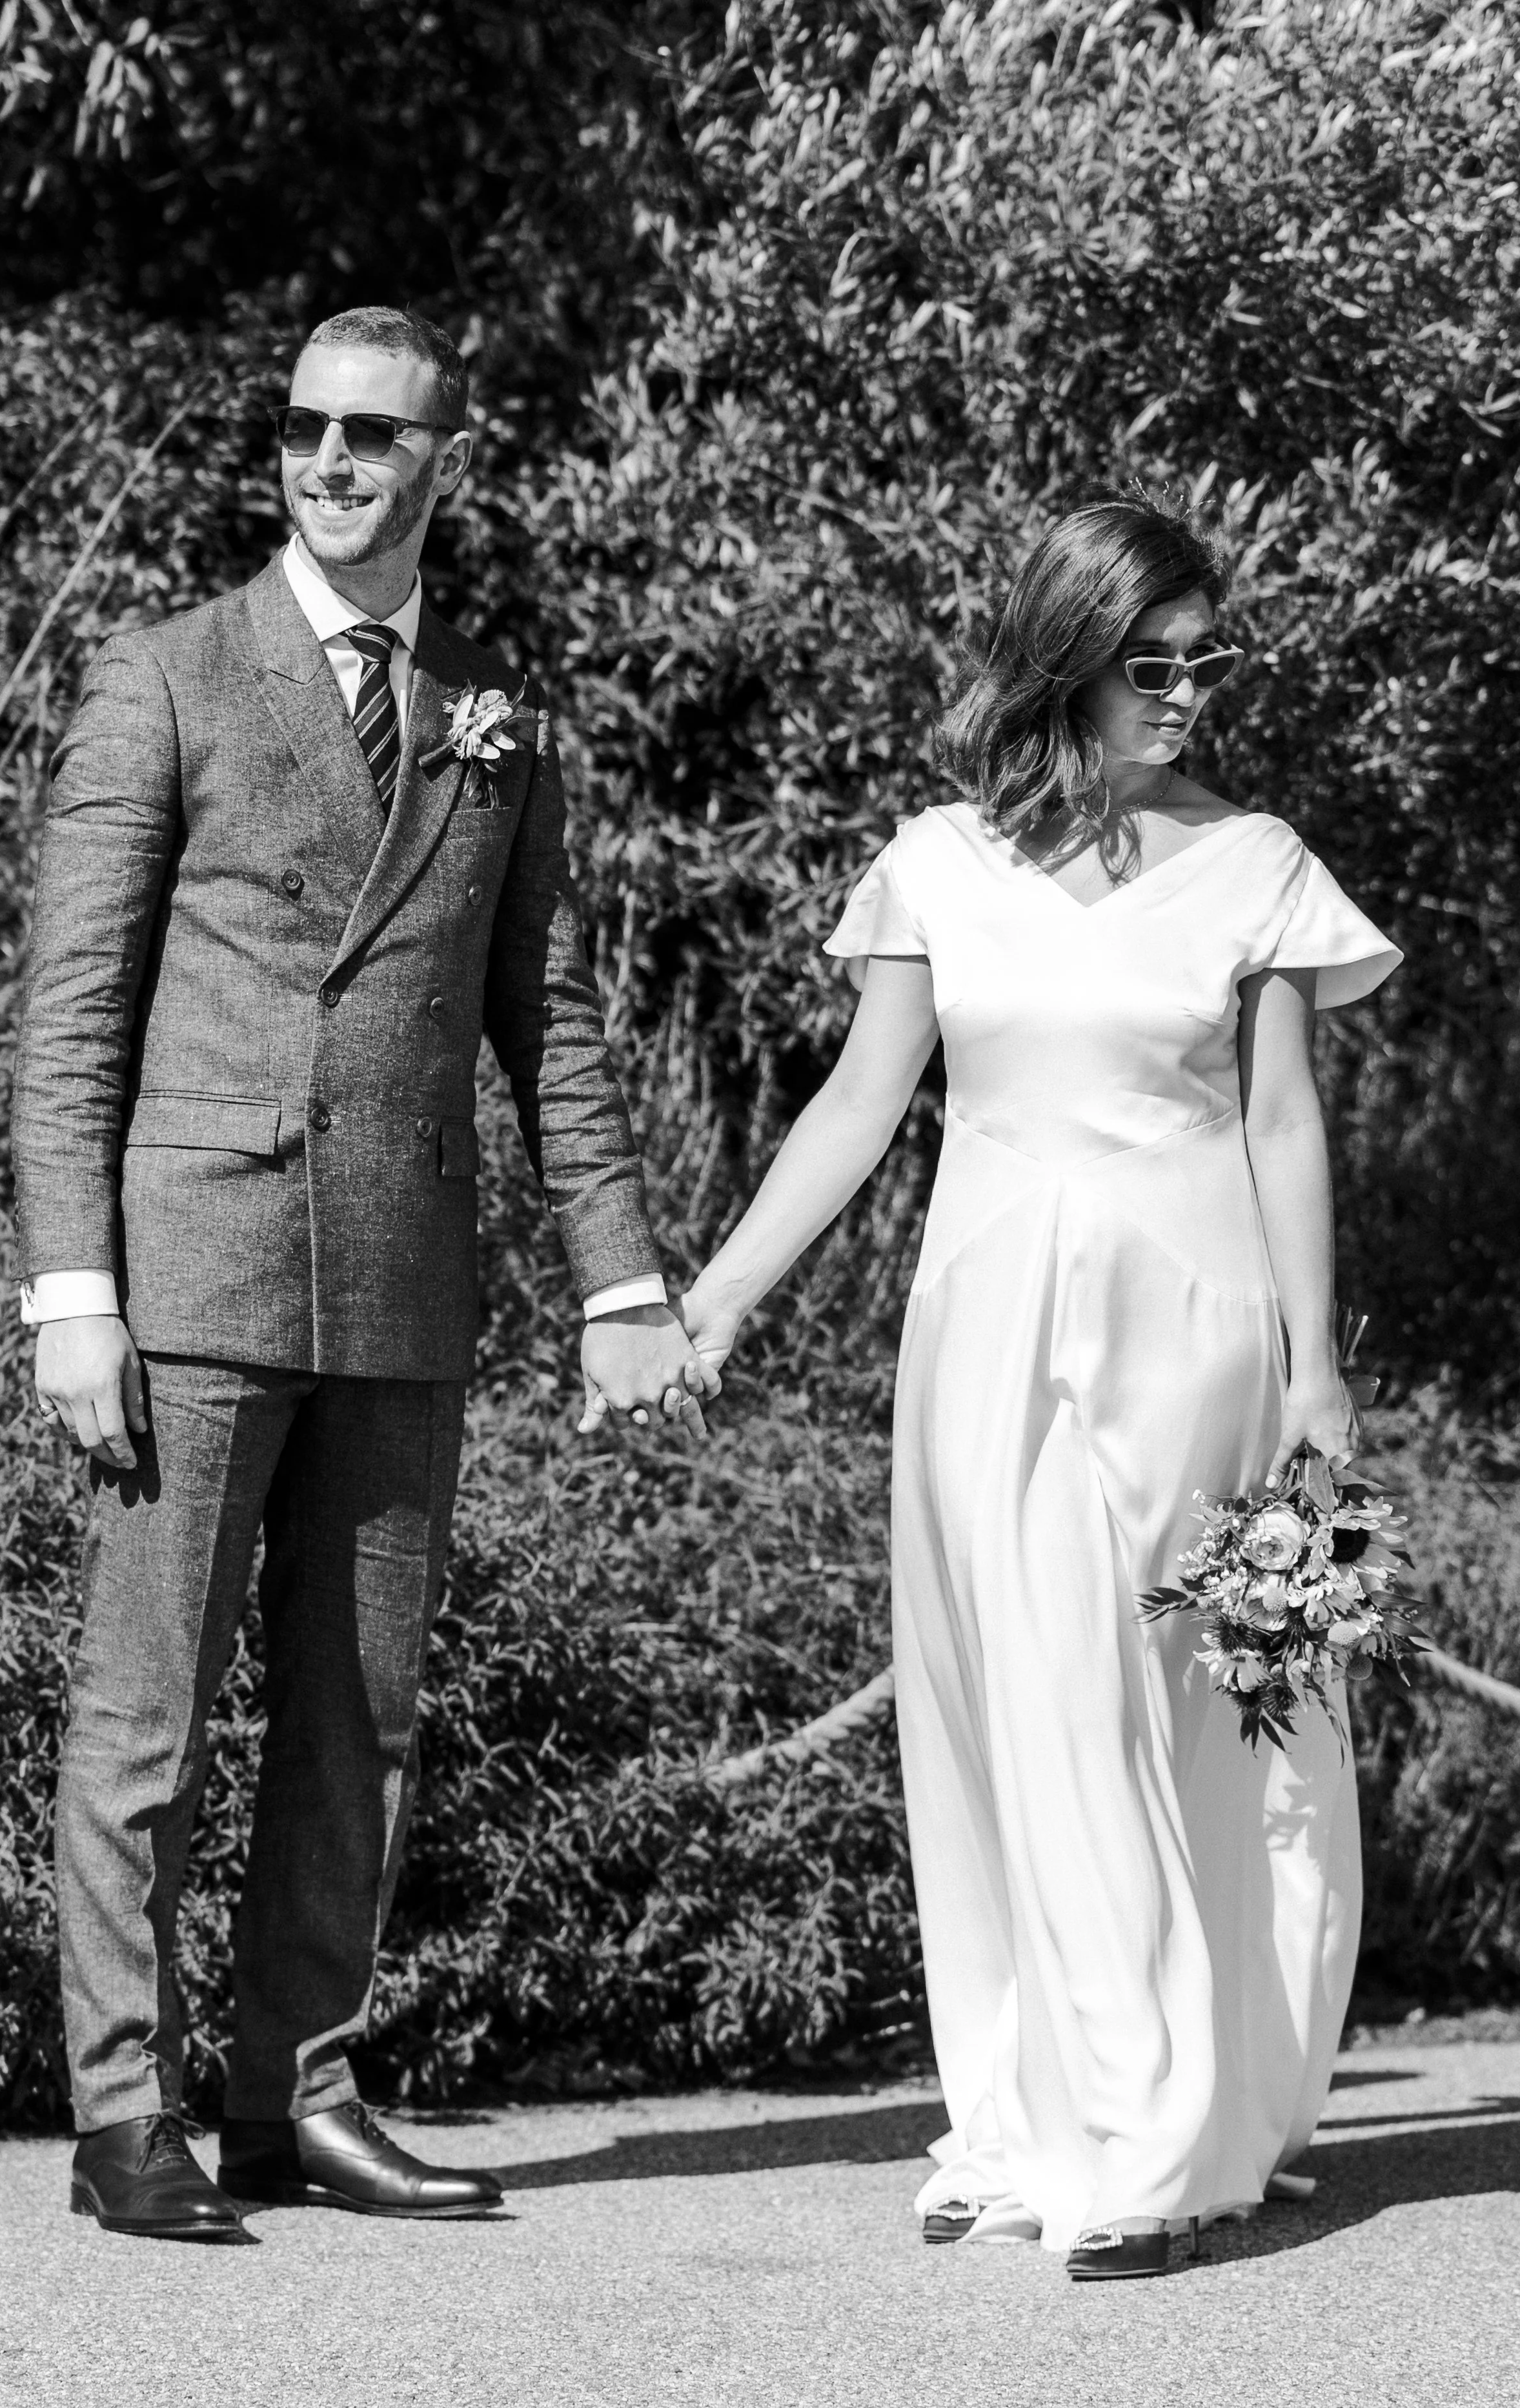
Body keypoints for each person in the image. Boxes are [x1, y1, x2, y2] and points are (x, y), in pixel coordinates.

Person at [12, 307, 713, 2242]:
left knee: (360, 1715)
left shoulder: (501, 714)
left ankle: (295, 2097)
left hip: (405, 1282)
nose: (333, 460)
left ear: (438, 460)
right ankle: (119, 2113)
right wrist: (73, 1285)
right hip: (197, 1272)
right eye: (309, 427)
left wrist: (620, 1279)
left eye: (375, 435)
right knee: (145, 1716)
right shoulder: (165, 678)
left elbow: (548, 1021)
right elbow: (70, 1018)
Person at [678, 494, 1401, 2277]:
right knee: (1016, 1717)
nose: (1186, 694)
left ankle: (1165, 2133)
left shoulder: (1261, 861)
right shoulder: (939, 860)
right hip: (989, 1338)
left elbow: (1285, 1120)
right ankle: (1028, 2113)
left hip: (1204, 1336)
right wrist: (714, 1302)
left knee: (1196, 1728)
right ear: (1066, 660)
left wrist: (1321, 1378)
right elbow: (859, 1108)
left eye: (1206, 660)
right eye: (1149, 664)